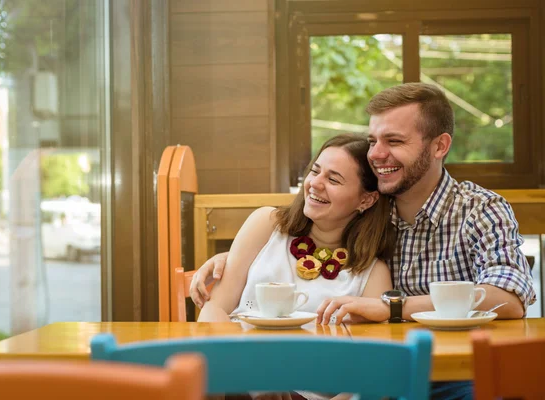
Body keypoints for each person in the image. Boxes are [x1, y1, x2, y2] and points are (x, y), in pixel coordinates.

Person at [190, 83, 536, 400]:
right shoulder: (369, 216)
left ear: (439, 146)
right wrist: (232, 260)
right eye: (373, 141)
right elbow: (301, 234)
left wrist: (392, 308)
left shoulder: (479, 209)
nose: (377, 154)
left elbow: (508, 298)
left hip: (457, 375)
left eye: (395, 141)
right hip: (391, 377)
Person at [198, 133, 395, 324]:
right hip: (241, 350)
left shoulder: (373, 273)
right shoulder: (265, 224)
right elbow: (215, 307)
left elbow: (373, 345)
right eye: (315, 171)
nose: (315, 183)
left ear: (366, 200)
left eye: (333, 180)